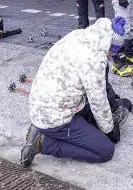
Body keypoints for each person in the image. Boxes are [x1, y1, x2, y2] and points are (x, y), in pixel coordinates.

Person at [20, 17, 127, 167]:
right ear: (109, 45)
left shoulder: (79, 35)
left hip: (41, 104)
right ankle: (43, 143)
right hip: (54, 119)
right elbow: (98, 101)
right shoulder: (94, 61)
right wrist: (109, 129)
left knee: (95, 122)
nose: (110, 55)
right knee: (105, 150)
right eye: (112, 51)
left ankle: (47, 133)